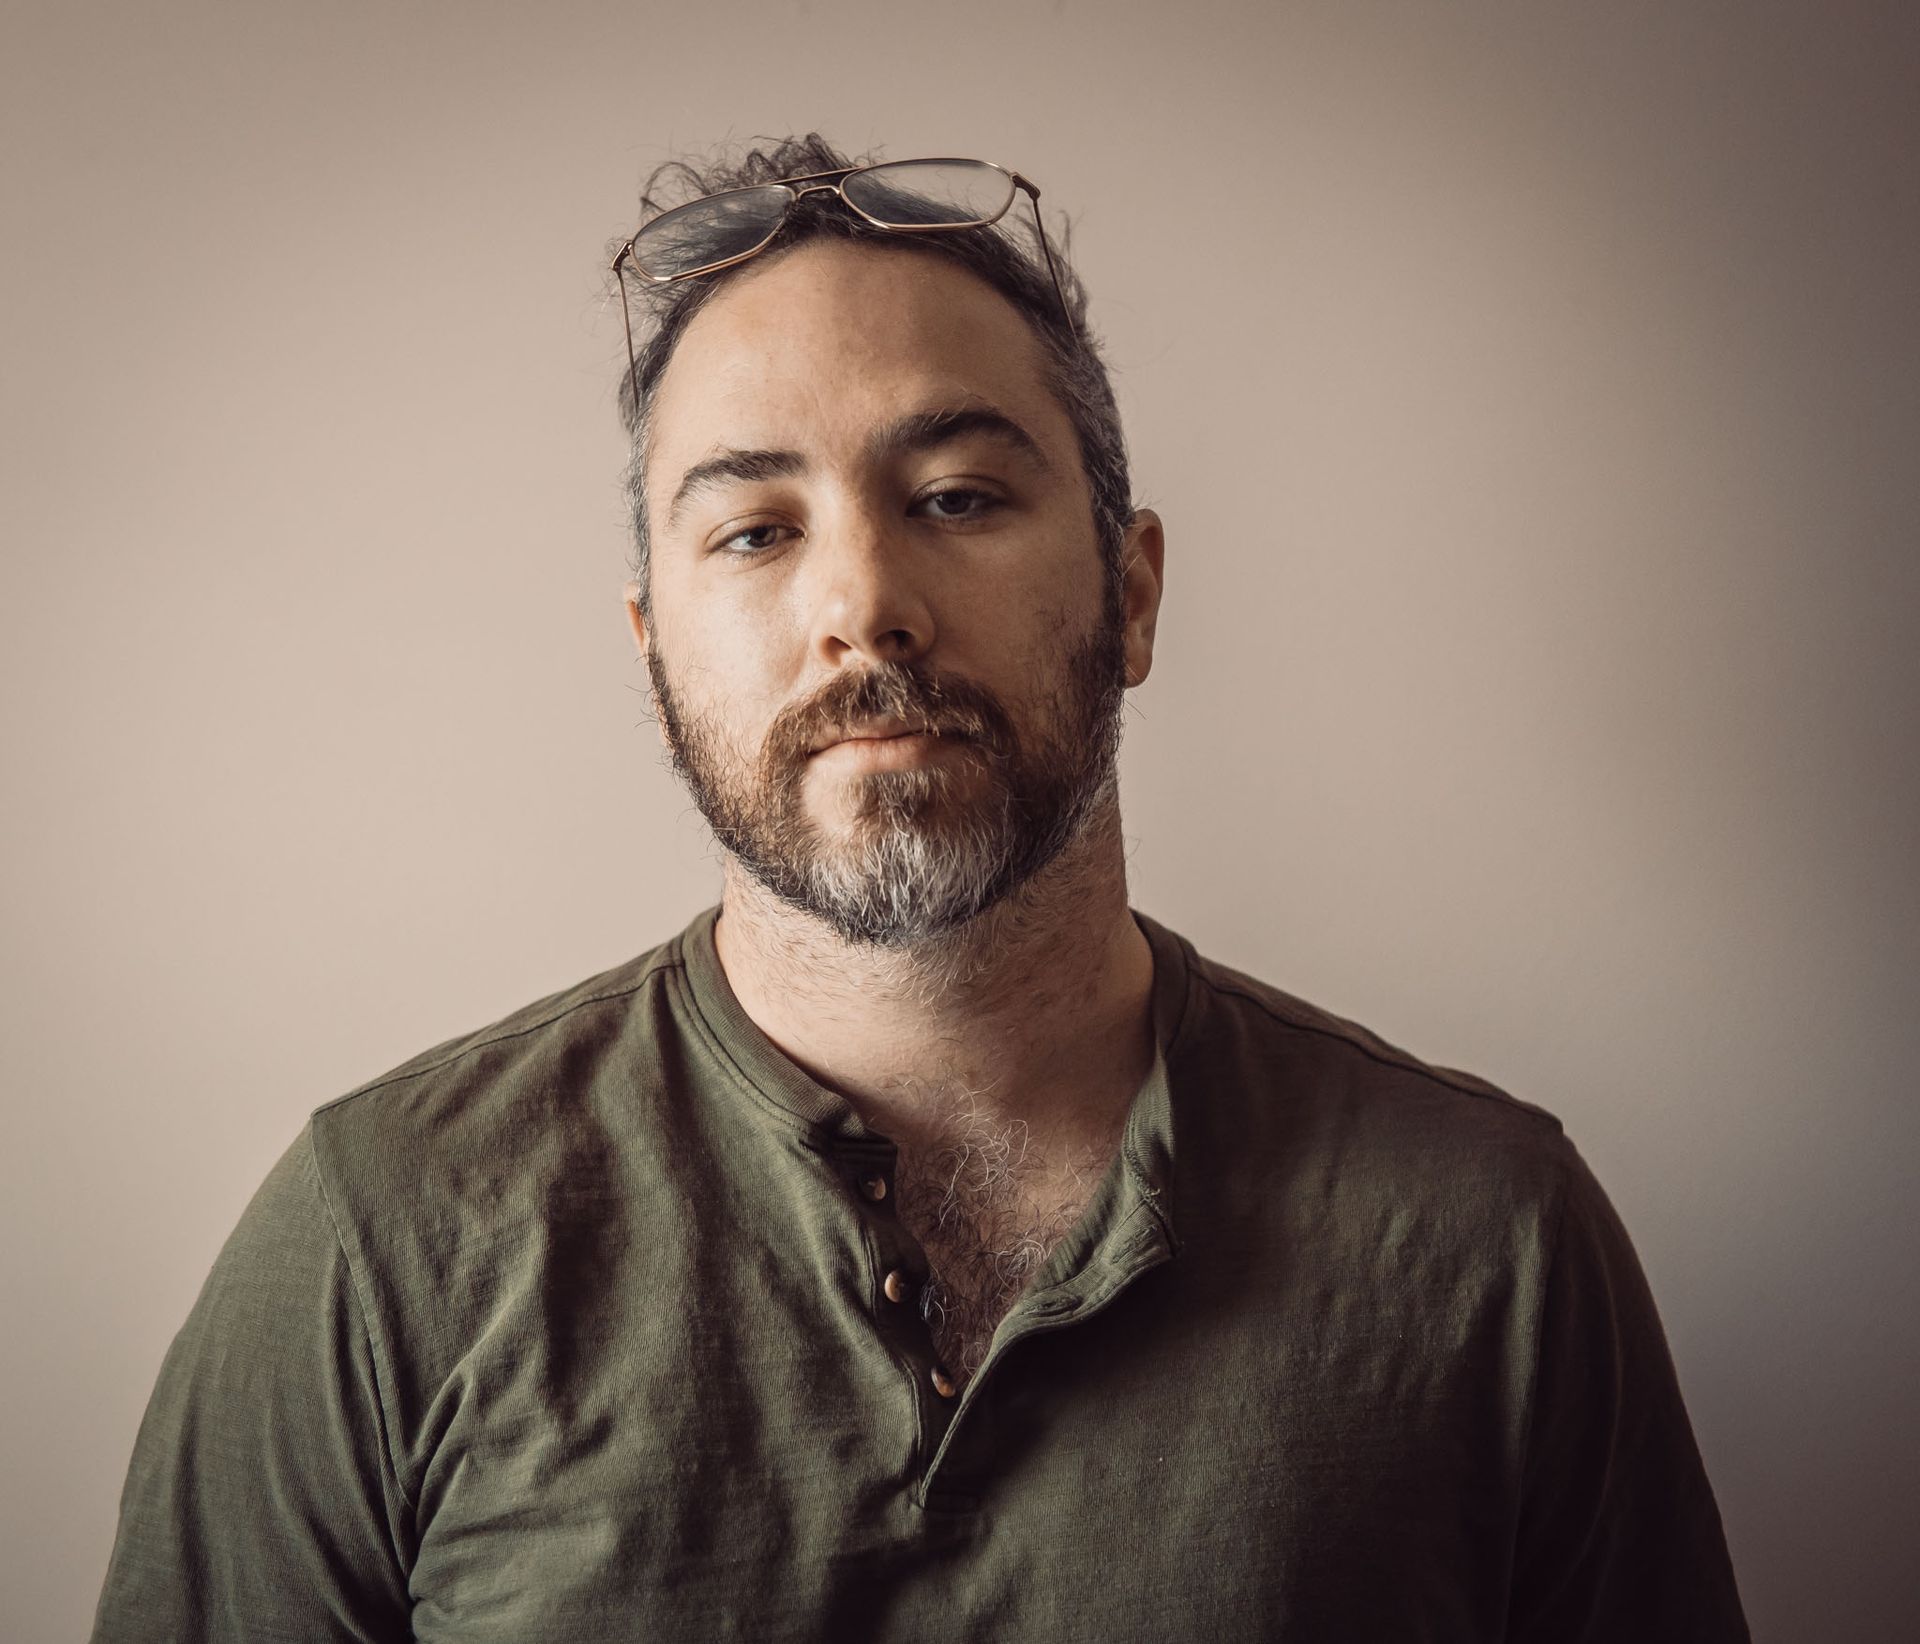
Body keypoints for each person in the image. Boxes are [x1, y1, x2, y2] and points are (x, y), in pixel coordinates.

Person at [91, 134, 1750, 1641]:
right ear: (654, 654)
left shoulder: (1487, 1241)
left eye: (956, 498)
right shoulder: (384, 1242)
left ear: (1133, 593)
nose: (865, 606)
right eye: (755, 530)